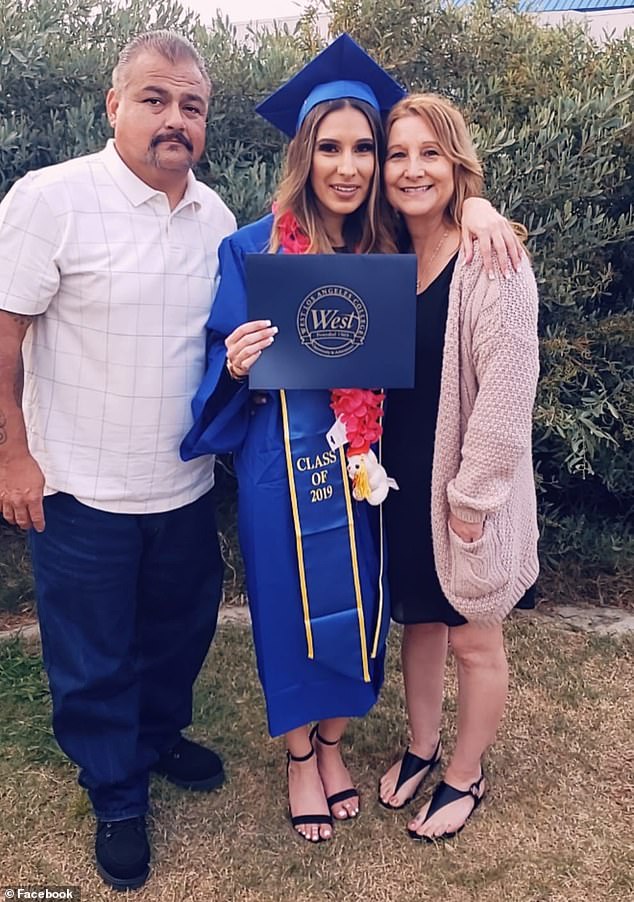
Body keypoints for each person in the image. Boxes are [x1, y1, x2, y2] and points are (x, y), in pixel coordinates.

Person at [181, 35, 522, 844]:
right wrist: (233, 367)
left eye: (363, 147)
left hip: (367, 465)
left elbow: (448, 228)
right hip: (279, 461)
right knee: (290, 605)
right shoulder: (254, 247)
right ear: (305, 153)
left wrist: (476, 202)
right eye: (329, 147)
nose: (349, 165)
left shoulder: (391, 246)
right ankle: (302, 757)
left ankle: (335, 741)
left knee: (363, 606)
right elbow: (216, 373)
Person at [0, 31, 235, 890]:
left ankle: (158, 734)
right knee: (92, 654)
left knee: (179, 630)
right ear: (113, 106)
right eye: (155, 99)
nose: (175, 119)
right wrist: (11, 456)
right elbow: (4, 337)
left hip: (180, 482)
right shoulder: (50, 199)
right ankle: (116, 791)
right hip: (78, 487)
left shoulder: (212, 217)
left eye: (193, 106)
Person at [378, 93, 540, 842]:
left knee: (474, 636)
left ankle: (466, 774)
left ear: (456, 163)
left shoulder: (491, 256)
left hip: (464, 483)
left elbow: (508, 393)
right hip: (397, 474)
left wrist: (472, 500)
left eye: (429, 153)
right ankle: (421, 745)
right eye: (398, 154)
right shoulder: (384, 256)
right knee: (419, 620)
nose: (413, 169)